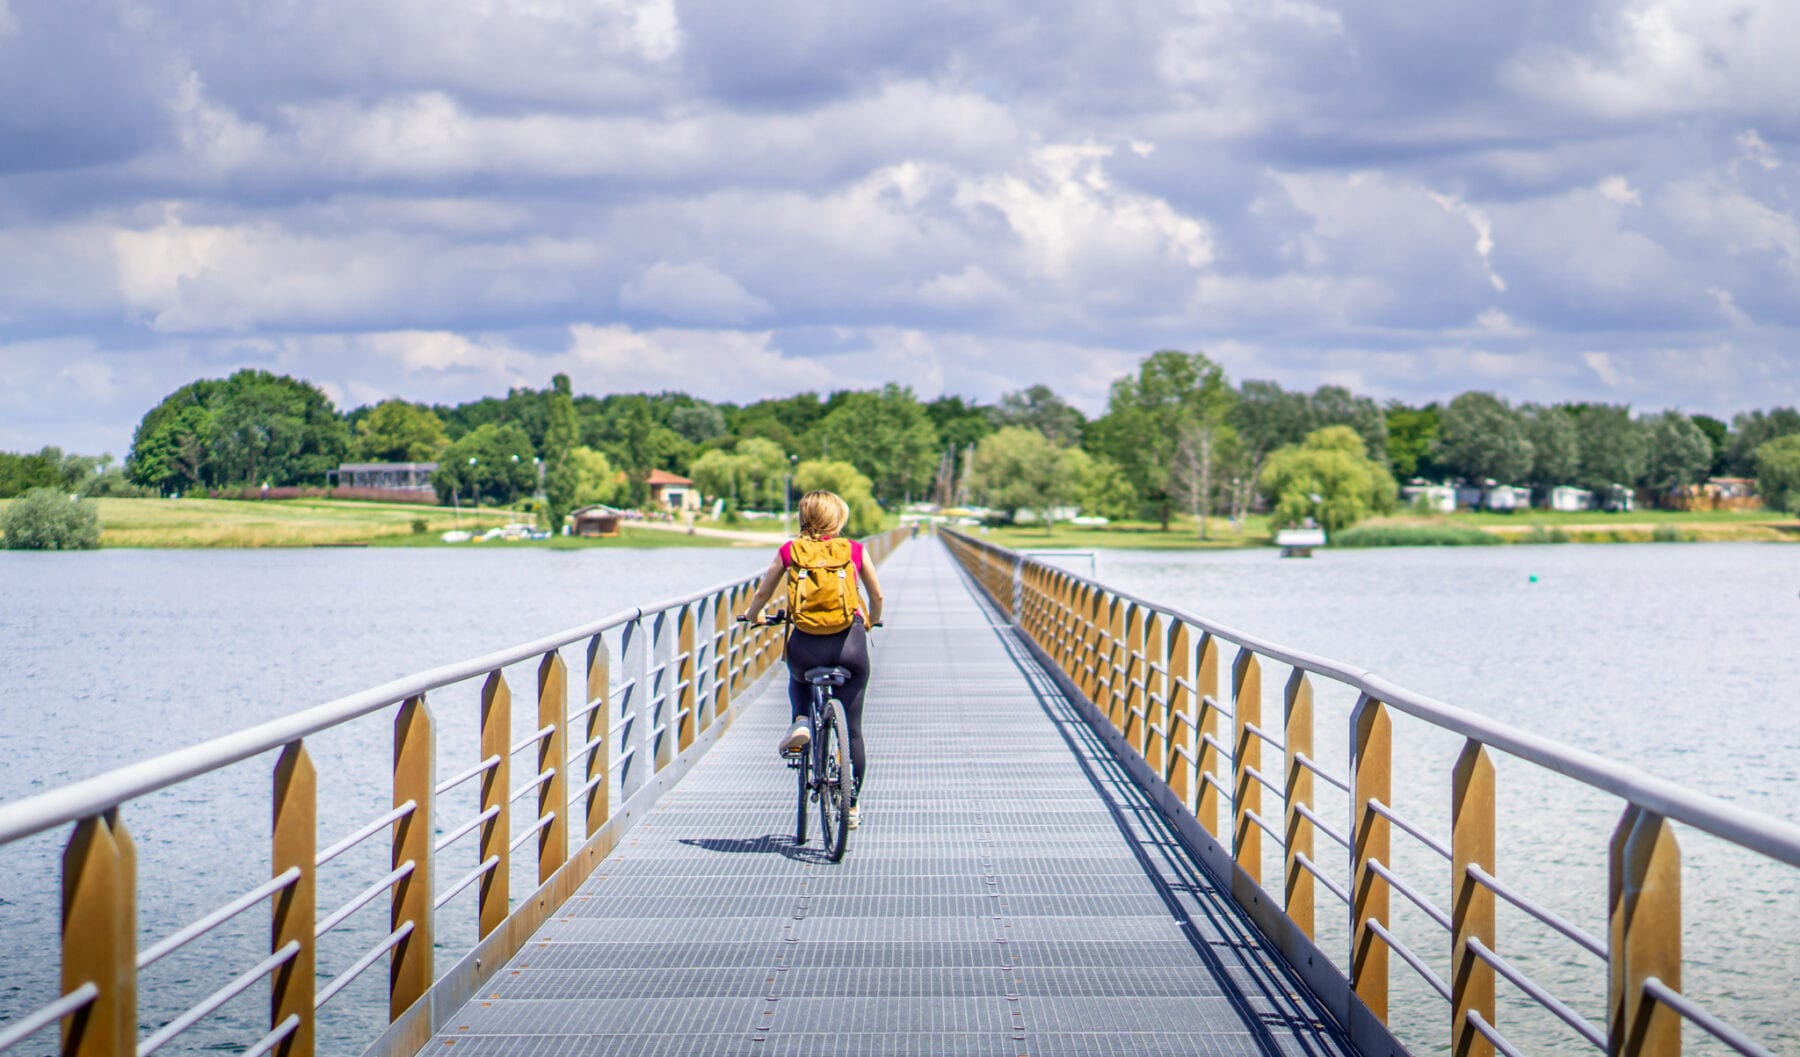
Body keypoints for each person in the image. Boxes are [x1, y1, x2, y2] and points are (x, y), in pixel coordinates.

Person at [740, 490, 884, 828]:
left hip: (806, 645)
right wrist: (872, 619)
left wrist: (752, 615)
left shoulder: (791, 551)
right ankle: (850, 806)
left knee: (798, 676)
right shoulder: (854, 550)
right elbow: (876, 594)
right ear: (838, 518)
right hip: (850, 646)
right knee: (854, 732)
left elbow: (763, 592)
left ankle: (802, 720)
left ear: (803, 517)